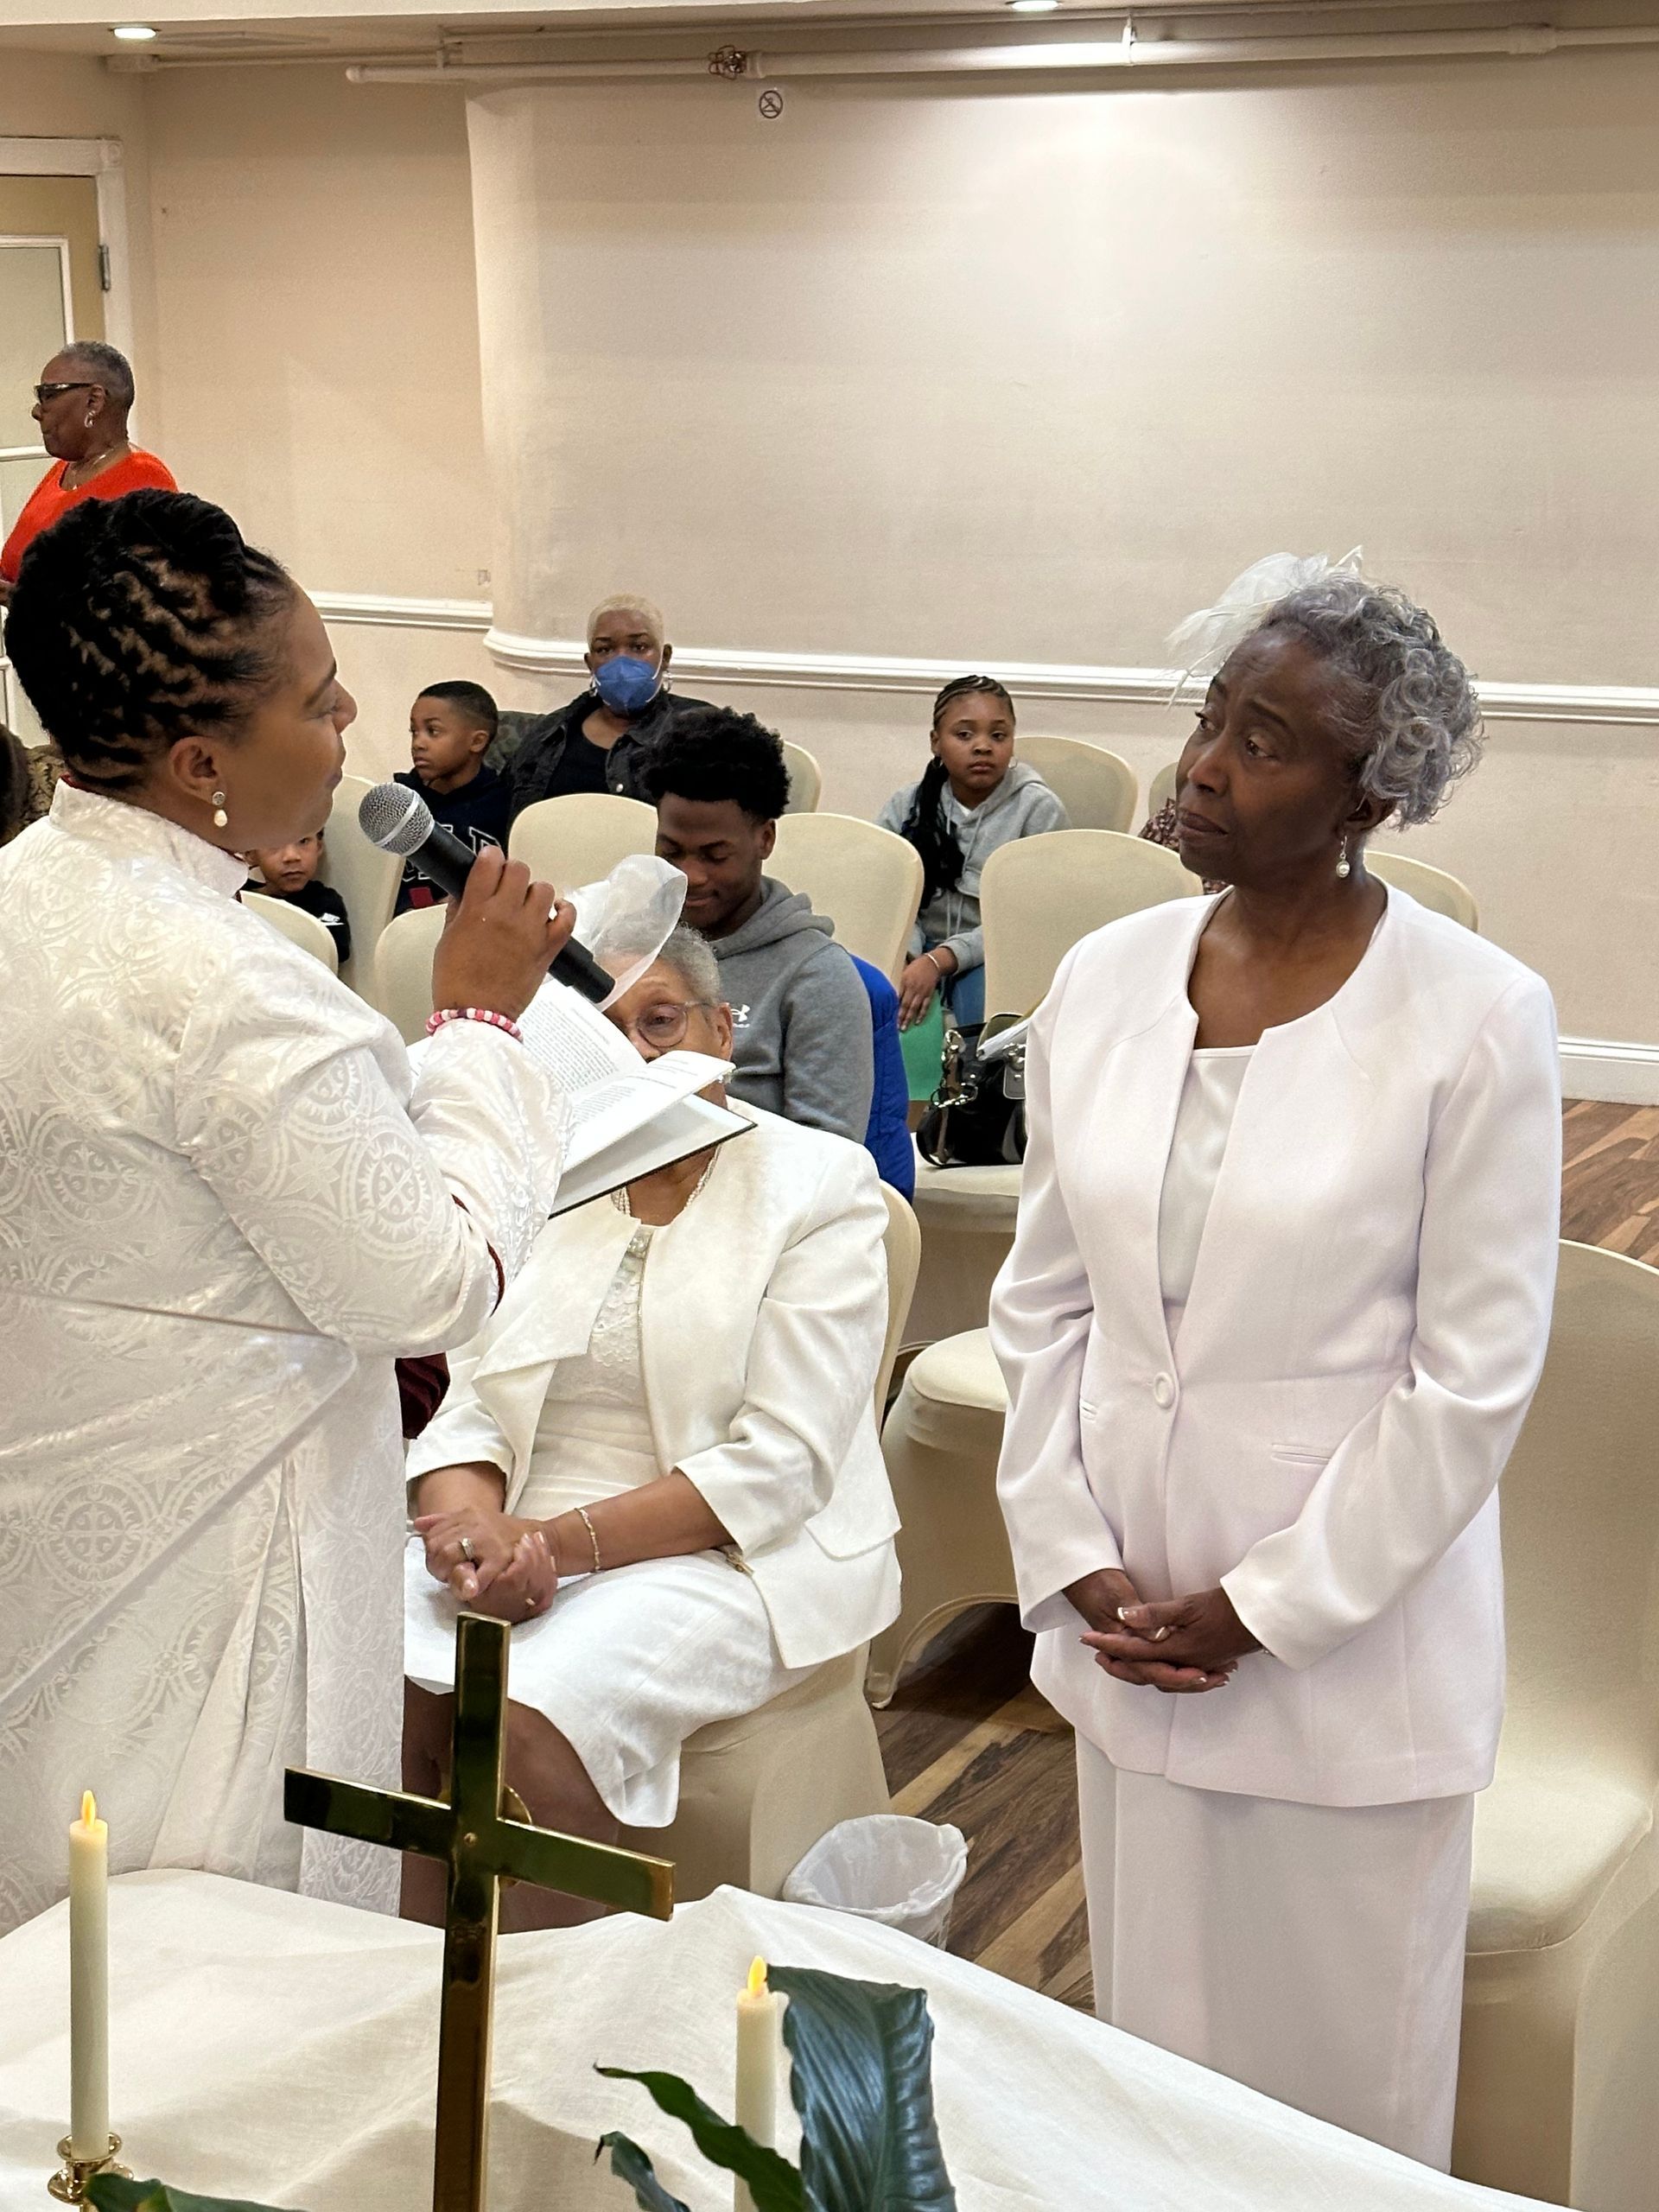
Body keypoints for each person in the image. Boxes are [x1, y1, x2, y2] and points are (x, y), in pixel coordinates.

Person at [991, 571, 1560, 2168]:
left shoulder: (1473, 1019)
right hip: (1130, 1641)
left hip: (1338, 1669)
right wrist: (1074, 1554)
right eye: (1210, 720)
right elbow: (1042, 1307)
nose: (1208, 767)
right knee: (1154, 2095)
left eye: (1270, 742)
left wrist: (1268, 1605)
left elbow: (1474, 1380)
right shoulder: (1105, 982)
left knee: (1332, 2126)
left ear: (1373, 794)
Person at [0, 489, 576, 1933]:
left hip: (50, 1510)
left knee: (58, 1936)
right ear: (203, 762)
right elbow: (429, 1281)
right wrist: (481, 1025)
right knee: (211, 1949)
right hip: (215, 1551)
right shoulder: (231, 988)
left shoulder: (23, 892)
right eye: (320, 704)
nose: (351, 721)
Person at [403, 929, 899, 1928]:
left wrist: (549, 1546)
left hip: (736, 1554)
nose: (631, 1054)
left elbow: (782, 1465)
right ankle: (411, 2004)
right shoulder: (550, 1180)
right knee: (367, 1676)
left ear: (723, 1030)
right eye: (600, 1031)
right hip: (517, 1530)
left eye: (659, 1020)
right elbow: (471, 1407)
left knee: (524, 1705)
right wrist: (463, 1533)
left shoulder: (819, 1183)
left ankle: (559, 2032)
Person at [644, 709, 874, 1145]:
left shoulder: (815, 976)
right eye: (671, 852)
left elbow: (831, 1160)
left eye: (715, 855)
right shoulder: (631, 945)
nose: (690, 875)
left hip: (755, 1202)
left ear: (765, 839)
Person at [878, 676, 1068, 1033]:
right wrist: (912, 955)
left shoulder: (1039, 809)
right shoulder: (908, 805)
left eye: (998, 736)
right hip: (915, 948)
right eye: (964, 735)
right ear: (936, 742)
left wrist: (942, 960)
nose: (983, 746)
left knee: (984, 1034)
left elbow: (1030, 917)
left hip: (996, 952)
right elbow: (886, 895)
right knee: (883, 1005)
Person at [505, 594, 713, 819]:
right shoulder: (549, 735)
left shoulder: (700, 730)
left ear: (665, 657)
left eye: (638, 647)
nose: (621, 662)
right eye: (605, 650)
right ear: (590, 664)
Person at [0, 343, 176, 602]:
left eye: (48, 395)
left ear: (94, 401)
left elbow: (141, 604)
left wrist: (27, 604)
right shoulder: (64, 470)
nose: (37, 411)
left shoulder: (145, 480)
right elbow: (14, 567)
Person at [395, 680, 512, 912]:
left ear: (477, 741)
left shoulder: (504, 806)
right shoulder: (400, 801)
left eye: (433, 731)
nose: (418, 743)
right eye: (414, 731)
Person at [244, 828, 352, 964]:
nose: (291, 856)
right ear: (250, 853)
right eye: (275, 843)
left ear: (318, 847)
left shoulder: (326, 903)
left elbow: (333, 953)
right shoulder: (234, 897)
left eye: (303, 841)